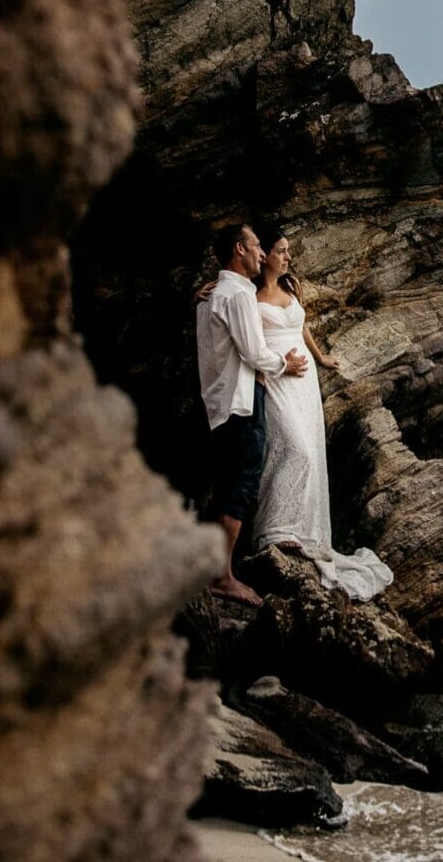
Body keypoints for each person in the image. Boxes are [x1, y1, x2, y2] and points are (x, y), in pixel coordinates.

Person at [246, 227, 393, 601]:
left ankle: (300, 528)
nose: (288, 257)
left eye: (288, 250)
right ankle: (275, 528)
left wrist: (320, 356)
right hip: (276, 378)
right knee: (293, 447)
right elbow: (245, 337)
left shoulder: (291, 286)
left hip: (305, 381)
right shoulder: (248, 294)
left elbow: (301, 325)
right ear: (264, 255)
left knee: (310, 448)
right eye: (281, 250)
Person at [195, 222, 309, 606]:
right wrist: (284, 364)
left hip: (219, 402)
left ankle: (215, 568)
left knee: (228, 480)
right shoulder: (238, 294)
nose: (262, 252)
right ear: (239, 249)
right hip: (240, 401)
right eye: (257, 245)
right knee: (241, 483)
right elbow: (254, 352)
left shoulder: (213, 296)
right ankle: (221, 577)